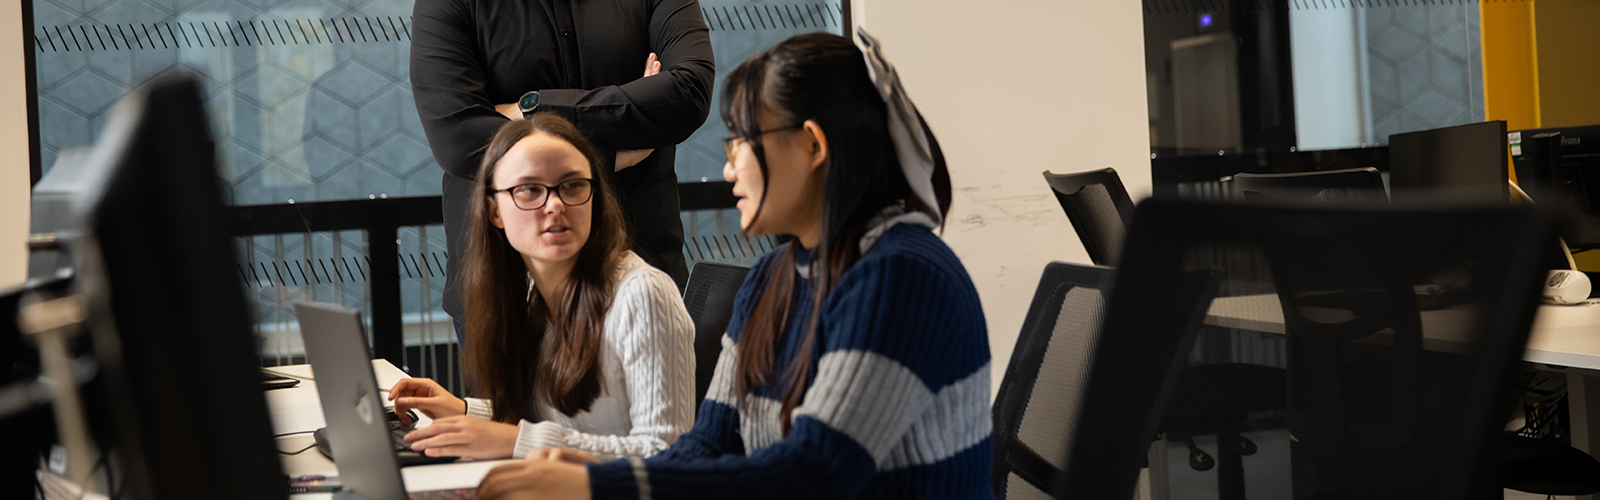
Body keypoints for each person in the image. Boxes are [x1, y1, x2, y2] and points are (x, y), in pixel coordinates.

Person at [473, 31, 995, 499]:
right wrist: (591, 475)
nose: (728, 166)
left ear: (813, 144)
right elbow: (709, 443)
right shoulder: (774, 275)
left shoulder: (901, 274)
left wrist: (594, 484)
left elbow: (816, 473)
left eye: (742, 141)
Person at [387, 114, 695, 460]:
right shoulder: (530, 288)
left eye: (573, 185)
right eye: (530, 189)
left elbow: (667, 455)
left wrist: (514, 441)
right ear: (494, 212)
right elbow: (558, 421)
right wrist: (464, 412)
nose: (555, 205)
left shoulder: (642, 295)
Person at [410, 0, 716, 346]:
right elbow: (458, 138)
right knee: (502, 405)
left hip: (640, 274)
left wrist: (530, 110)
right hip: (506, 288)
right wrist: (611, 153)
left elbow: (689, 91)